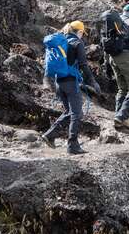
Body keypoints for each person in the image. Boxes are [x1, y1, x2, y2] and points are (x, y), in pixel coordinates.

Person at [41, 21, 101, 155]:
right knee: (77, 113)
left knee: (69, 111)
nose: (82, 36)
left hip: (58, 82)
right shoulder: (77, 43)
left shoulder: (60, 42)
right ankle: (72, 145)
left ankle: (50, 135)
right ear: (79, 32)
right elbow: (84, 65)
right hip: (70, 82)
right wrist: (93, 82)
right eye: (82, 33)